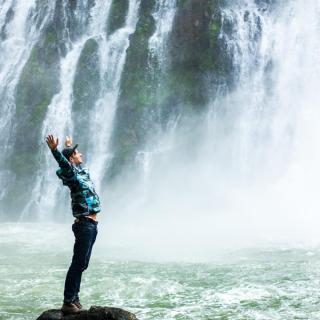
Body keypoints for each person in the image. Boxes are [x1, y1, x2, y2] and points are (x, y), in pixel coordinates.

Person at [46, 134, 101, 314]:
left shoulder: (81, 173)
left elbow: (78, 166)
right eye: (78, 153)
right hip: (84, 224)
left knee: (82, 264)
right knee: (78, 264)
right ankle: (68, 300)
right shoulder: (72, 176)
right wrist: (55, 151)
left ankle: (74, 297)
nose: (81, 154)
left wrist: (69, 147)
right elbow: (65, 165)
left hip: (91, 225)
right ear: (71, 159)